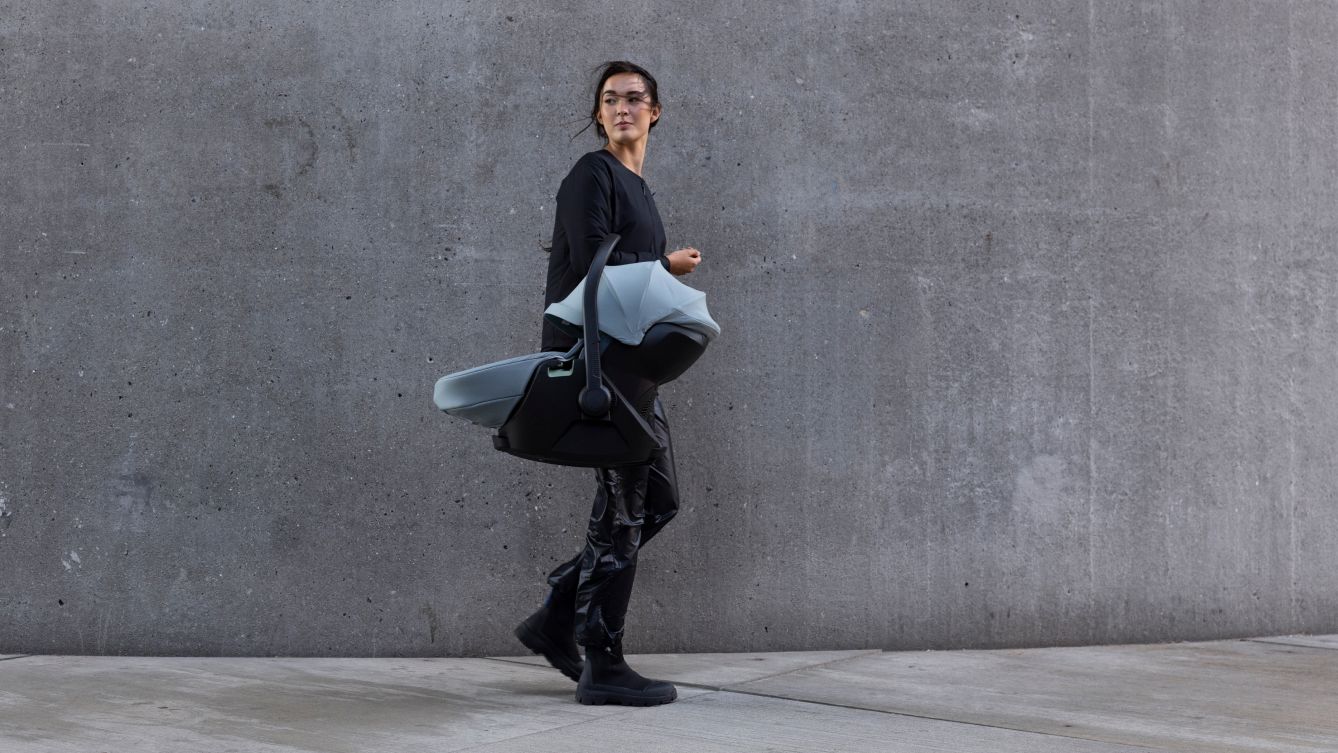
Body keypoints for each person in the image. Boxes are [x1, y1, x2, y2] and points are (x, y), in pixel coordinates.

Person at [514, 60, 702, 707]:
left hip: (632, 364)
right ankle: (603, 660)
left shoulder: (640, 189)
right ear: (599, 114)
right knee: (626, 506)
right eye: (611, 99)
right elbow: (595, 260)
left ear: (655, 112)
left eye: (634, 98)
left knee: (658, 499)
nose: (623, 107)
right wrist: (664, 265)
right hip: (596, 358)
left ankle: (557, 612)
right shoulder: (590, 175)